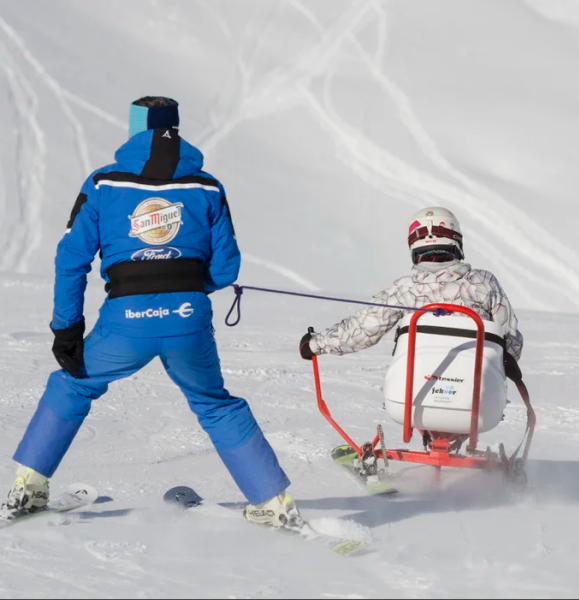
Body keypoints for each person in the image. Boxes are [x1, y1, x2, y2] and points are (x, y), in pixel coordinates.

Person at [0, 97, 300, 529]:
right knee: (214, 403)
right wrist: (184, 289)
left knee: (73, 383)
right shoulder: (207, 186)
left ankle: (28, 487)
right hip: (187, 316)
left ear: (135, 130)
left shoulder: (104, 183)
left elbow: (71, 260)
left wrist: (67, 328)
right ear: (176, 130)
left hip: (126, 320)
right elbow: (226, 268)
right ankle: (273, 501)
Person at [299, 206, 524, 378]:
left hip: (414, 391)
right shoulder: (483, 282)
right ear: (456, 242)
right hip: (477, 391)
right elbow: (510, 337)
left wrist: (316, 344)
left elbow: (361, 331)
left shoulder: (404, 290)